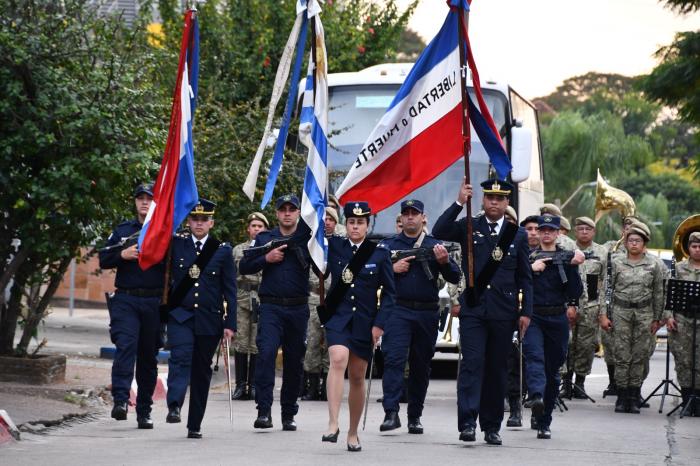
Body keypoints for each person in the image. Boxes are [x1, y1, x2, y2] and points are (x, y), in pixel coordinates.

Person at [433, 178, 533, 446]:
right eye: (490, 197)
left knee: (496, 370)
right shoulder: (470, 227)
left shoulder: (518, 235)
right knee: (472, 365)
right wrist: (458, 202)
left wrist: (526, 313)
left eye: (500, 199)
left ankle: (491, 426)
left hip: (504, 311)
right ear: (483, 200)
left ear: (506, 203)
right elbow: (439, 229)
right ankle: (467, 423)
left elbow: (525, 278)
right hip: (474, 309)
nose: (494, 202)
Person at [379, 200, 460, 434]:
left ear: (423, 217)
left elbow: (455, 277)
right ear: (401, 218)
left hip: (426, 311)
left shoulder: (435, 245)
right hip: (398, 310)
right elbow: (372, 276)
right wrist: (391, 271)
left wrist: (444, 262)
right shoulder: (388, 246)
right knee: (393, 360)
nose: (410, 218)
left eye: (415, 214)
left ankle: (415, 415)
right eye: (406, 214)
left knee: (421, 365)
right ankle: (391, 412)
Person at [322, 201, 396, 452]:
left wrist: (379, 325)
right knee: (337, 358)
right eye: (351, 222)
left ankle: (352, 433)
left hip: (365, 321)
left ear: (367, 224)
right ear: (346, 224)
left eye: (360, 222)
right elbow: (309, 242)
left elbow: (390, 295)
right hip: (337, 317)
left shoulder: (380, 252)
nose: (355, 227)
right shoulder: (334, 246)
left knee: (356, 375)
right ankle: (333, 423)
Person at [164, 199, 237, 438]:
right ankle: (174, 404)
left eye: (204, 219)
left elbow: (230, 290)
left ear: (211, 223)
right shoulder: (177, 245)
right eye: (195, 218)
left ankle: (194, 423)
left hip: (209, 320)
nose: (199, 223)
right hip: (181, 315)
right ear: (188, 220)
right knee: (180, 358)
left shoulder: (222, 250)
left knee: (201, 371)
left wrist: (230, 324)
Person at [239, 194, 311, 431]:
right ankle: (264, 411)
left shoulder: (308, 238)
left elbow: (325, 267)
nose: (287, 213)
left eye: (292, 209)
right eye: (283, 209)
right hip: (271, 306)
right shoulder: (264, 238)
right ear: (277, 213)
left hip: (298, 307)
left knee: (293, 361)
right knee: (266, 354)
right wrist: (267, 258)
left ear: (299, 212)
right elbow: (244, 265)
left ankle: (289, 413)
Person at [99, 183, 164, 429]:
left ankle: (144, 411)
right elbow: (104, 258)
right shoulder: (123, 231)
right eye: (140, 198)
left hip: (153, 301)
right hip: (126, 298)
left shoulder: (163, 231)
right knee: (125, 347)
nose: (144, 202)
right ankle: (120, 401)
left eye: (149, 198)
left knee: (148, 358)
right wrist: (122, 255)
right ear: (135, 202)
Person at [523, 215, 583, 439]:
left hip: (557, 317)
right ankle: (536, 395)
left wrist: (574, 268)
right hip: (534, 315)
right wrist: (531, 268)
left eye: (551, 230)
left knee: (553, 371)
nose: (546, 233)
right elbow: (517, 281)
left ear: (558, 233)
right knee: (534, 356)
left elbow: (575, 293)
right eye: (543, 229)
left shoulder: (566, 257)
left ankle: (544, 420)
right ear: (538, 233)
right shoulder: (528, 256)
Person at [599, 224, 666, 414]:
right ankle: (621, 396)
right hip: (621, 312)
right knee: (621, 355)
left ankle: (634, 395)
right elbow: (606, 290)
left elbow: (659, 293)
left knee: (640, 355)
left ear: (644, 243)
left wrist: (658, 318)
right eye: (630, 240)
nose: (634, 244)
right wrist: (603, 314)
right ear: (626, 243)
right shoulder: (616, 262)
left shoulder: (654, 264)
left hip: (645, 313)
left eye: (638, 240)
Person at [562, 216, 607, 399]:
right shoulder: (567, 248)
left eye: (588, 229)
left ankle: (580, 383)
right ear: (575, 231)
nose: (584, 232)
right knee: (567, 344)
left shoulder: (602, 252)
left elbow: (604, 283)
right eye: (580, 229)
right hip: (569, 305)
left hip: (591, 306)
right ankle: (566, 383)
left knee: (586, 346)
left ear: (593, 232)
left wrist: (602, 311)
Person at [231, 212, 269, 400]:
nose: (256, 229)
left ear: (265, 230)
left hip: (261, 299)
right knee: (241, 342)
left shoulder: (268, 249)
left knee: (256, 343)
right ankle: (240, 385)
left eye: (260, 226)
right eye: (253, 226)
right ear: (248, 229)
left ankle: (253, 385)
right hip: (241, 298)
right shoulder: (238, 250)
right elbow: (231, 277)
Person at [302, 208, 338, 401]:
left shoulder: (340, 244)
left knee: (331, 344)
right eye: (325, 219)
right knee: (313, 342)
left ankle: (327, 386)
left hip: (334, 299)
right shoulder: (312, 244)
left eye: (332, 220)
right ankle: (312, 386)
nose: (328, 223)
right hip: (314, 297)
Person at [667, 231, 700, 416]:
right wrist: (669, 316)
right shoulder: (678, 269)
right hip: (683, 320)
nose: (697, 250)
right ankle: (687, 398)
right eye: (694, 246)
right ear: (688, 248)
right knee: (684, 360)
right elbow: (668, 294)